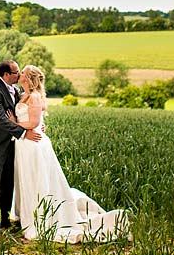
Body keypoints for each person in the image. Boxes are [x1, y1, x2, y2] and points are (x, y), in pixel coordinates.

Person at [8, 64, 130, 243]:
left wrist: (13, 124)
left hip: (33, 144)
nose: (20, 74)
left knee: (36, 179)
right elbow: (35, 121)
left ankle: (40, 217)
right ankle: (25, 214)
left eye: (23, 73)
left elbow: (33, 123)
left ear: (29, 78)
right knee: (26, 179)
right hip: (24, 144)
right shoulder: (22, 94)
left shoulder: (34, 97)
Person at [0, 60, 42, 236]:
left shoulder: (17, 91)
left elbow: (27, 113)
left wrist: (36, 126)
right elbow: (1, 120)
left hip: (15, 145)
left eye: (20, 72)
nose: (19, 75)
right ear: (6, 75)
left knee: (8, 183)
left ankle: (3, 220)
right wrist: (24, 132)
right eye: (16, 72)